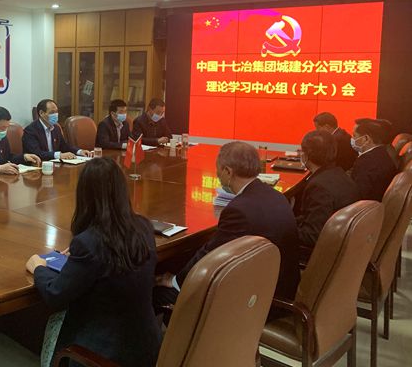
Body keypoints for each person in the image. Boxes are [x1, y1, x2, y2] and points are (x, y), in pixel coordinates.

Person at [26, 158, 162, 367]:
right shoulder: (143, 227)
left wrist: (39, 268)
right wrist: (78, 259)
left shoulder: (89, 243)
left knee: (54, 323)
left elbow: (55, 295)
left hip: (101, 356)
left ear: (85, 195)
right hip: (147, 349)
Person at [154, 142, 300, 307]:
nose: (217, 174)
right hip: (280, 285)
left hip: (259, 300)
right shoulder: (275, 195)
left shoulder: (239, 210)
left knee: (158, 294)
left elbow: (212, 255)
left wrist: (175, 280)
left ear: (228, 171)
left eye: (218, 169)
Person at [295, 130, 359, 247]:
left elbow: (312, 236)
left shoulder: (318, 187)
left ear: (306, 155)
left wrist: (283, 229)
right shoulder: (340, 174)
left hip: (320, 249)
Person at [22, 99, 92, 161]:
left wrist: (79, 151)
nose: (55, 115)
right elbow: (36, 153)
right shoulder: (30, 130)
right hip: (38, 165)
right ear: (41, 113)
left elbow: (64, 146)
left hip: (55, 164)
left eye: (56, 112)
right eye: (52, 112)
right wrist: (59, 155)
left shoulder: (56, 128)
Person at [350, 118, 397, 201]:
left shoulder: (367, 164)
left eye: (354, 135)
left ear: (366, 139)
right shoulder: (381, 153)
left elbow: (357, 196)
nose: (352, 139)